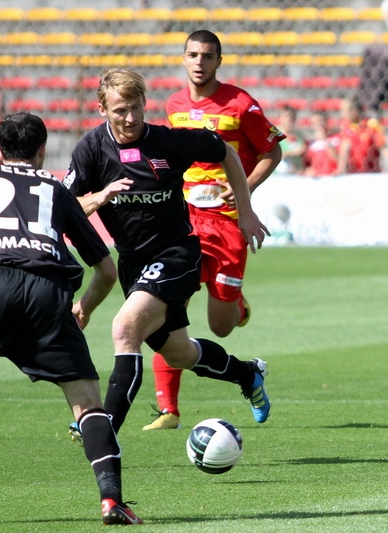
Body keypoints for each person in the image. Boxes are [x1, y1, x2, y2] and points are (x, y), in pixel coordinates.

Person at [0, 112, 141, 525]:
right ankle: (111, 500)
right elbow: (106, 270)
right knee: (87, 402)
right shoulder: (56, 190)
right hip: (48, 294)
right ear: (41, 150)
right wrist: (84, 307)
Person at [63, 67, 271, 438]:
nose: (130, 118)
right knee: (179, 353)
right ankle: (247, 373)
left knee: (124, 329)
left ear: (145, 104)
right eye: (120, 110)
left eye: (136, 107)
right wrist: (99, 197)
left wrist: (246, 211)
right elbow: (65, 207)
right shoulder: (91, 150)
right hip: (133, 265)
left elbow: (226, 151)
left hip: (177, 255)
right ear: (102, 109)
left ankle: (102, 428)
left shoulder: (168, 141)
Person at [141, 30, 285, 431]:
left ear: (219, 61)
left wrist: (244, 191)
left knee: (221, 326)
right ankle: (169, 410)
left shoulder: (240, 104)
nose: (199, 62)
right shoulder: (174, 105)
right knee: (167, 310)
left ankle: (237, 305)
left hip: (226, 222)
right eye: (193, 55)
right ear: (183, 59)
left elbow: (272, 151)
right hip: (185, 222)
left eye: (207, 56)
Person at [335, 96, 388, 175]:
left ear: (355, 110)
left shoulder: (371, 124)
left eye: (346, 110)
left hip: (372, 174)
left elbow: (383, 147)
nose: (343, 114)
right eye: (342, 111)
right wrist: (341, 168)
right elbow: (344, 148)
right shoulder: (346, 126)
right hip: (354, 174)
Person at [303, 111, 340, 178]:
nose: (318, 124)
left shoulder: (336, 138)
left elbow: (340, 161)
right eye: (314, 123)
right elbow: (307, 164)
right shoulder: (309, 143)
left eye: (320, 121)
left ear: (326, 122)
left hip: (334, 177)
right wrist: (308, 170)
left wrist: (324, 140)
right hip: (317, 178)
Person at [275, 105, 306, 175]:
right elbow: (273, 155)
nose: (290, 120)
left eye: (292, 117)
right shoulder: (275, 134)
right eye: (287, 117)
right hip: (278, 175)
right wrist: (293, 153)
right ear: (281, 118)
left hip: (296, 174)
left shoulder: (298, 136)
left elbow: (302, 153)